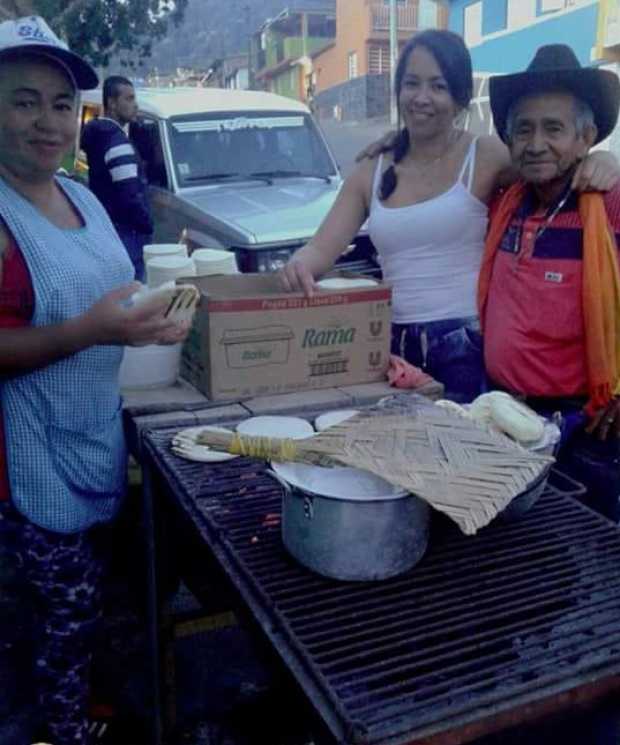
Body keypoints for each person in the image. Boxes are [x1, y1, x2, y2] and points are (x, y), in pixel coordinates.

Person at [0, 16, 187, 744]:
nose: (47, 122)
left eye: (60, 103)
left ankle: (79, 716)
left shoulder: (77, 194)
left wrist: (152, 319)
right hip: (22, 476)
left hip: (86, 440)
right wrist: (95, 331)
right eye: (22, 101)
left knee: (79, 621)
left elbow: (115, 290)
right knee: (41, 637)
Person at [279, 30, 619, 403]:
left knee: (460, 455)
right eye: (411, 83)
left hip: (466, 347)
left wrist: (602, 159)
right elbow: (321, 249)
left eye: (438, 86)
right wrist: (299, 265)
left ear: (459, 98)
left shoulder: (486, 155)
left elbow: (551, 161)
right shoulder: (370, 171)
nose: (422, 97)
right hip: (388, 345)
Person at [478, 44, 620, 522]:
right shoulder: (506, 202)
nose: (536, 143)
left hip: (585, 432)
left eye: (553, 129)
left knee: (585, 562)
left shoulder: (610, 205)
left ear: (586, 138)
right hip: (503, 420)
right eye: (523, 129)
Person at [80, 75, 153, 281]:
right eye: (129, 99)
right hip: (128, 233)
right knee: (134, 290)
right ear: (112, 103)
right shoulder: (116, 141)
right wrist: (146, 224)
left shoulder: (100, 136)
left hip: (109, 227)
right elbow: (130, 193)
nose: (135, 105)